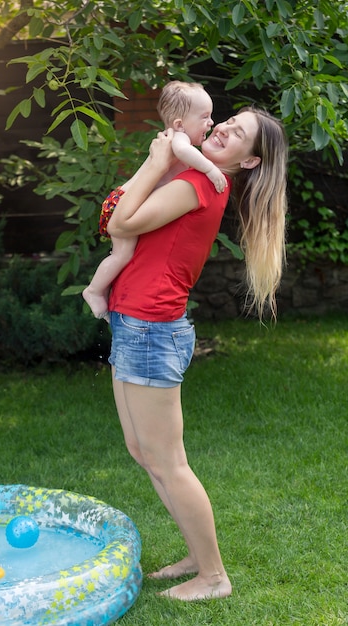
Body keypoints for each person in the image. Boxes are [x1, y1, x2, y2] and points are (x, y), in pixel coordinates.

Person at [105, 106, 288, 601]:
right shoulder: (191, 175)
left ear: (248, 162)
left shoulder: (200, 186)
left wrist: (153, 160)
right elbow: (117, 216)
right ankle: (194, 553)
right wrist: (162, 160)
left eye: (239, 134)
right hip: (134, 320)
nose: (224, 127)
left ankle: (213, 577)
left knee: (168, 461)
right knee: (143, 451)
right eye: (229, 120)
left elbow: (122, 220)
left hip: (151, 327)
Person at [83, 81, 227, 320]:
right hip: (122, 204)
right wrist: (211, 170)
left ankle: (105, 294)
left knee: (123, 256)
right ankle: (94, 291)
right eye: (205, 117)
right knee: (121, 256)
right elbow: (184, 153)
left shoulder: (176, 140)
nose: (211, 123)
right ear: (180, 123)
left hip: (125, 201)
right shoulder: (177, 139)